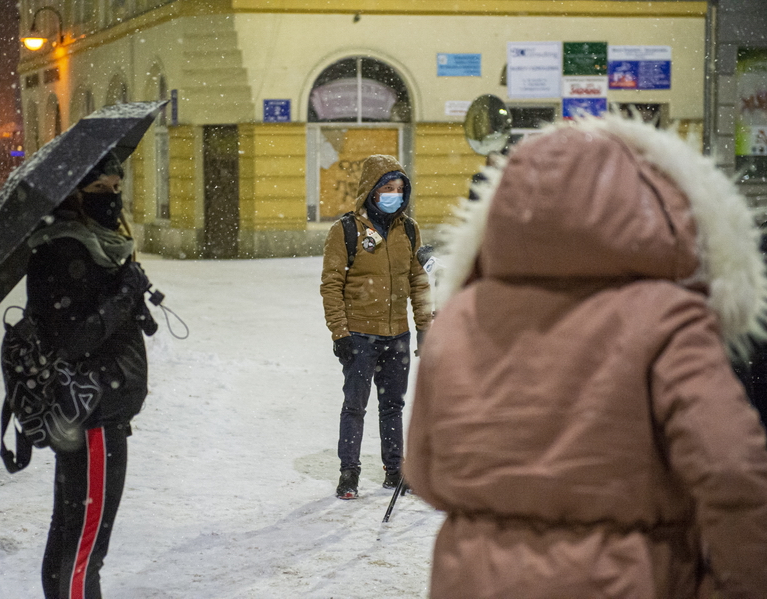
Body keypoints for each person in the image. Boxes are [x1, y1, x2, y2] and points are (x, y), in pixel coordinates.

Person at [405, 117, 767, 598]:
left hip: (474, 578)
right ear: (656, 206)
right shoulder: (667, 319)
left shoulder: (459, 316)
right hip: (625, 577)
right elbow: (731, 468)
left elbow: (425, 471)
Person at [25, 151, 155, 599]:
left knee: (69, 533)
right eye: (99, 189)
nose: (111, 197)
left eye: (116, 188)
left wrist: (130, 294)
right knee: (84, 549)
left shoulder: (90, 244)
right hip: (92, 414)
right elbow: (73, 337)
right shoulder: (64, 249)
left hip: (94, 411)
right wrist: (122, 295)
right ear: (74, 194)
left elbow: (99, 321)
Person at [320, 154, 432, 500]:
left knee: (393, 406)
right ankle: (349, 473)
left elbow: (418, 283)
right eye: (387, 187)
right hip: (360, 335)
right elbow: (331, 284)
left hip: (397, 333)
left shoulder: (409, 230)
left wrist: (424, 327)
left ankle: (395, 470)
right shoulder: (346, 230)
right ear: (372, 190)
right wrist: (340, 332)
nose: (394, 194)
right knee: (355, 406)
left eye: (399, 188)